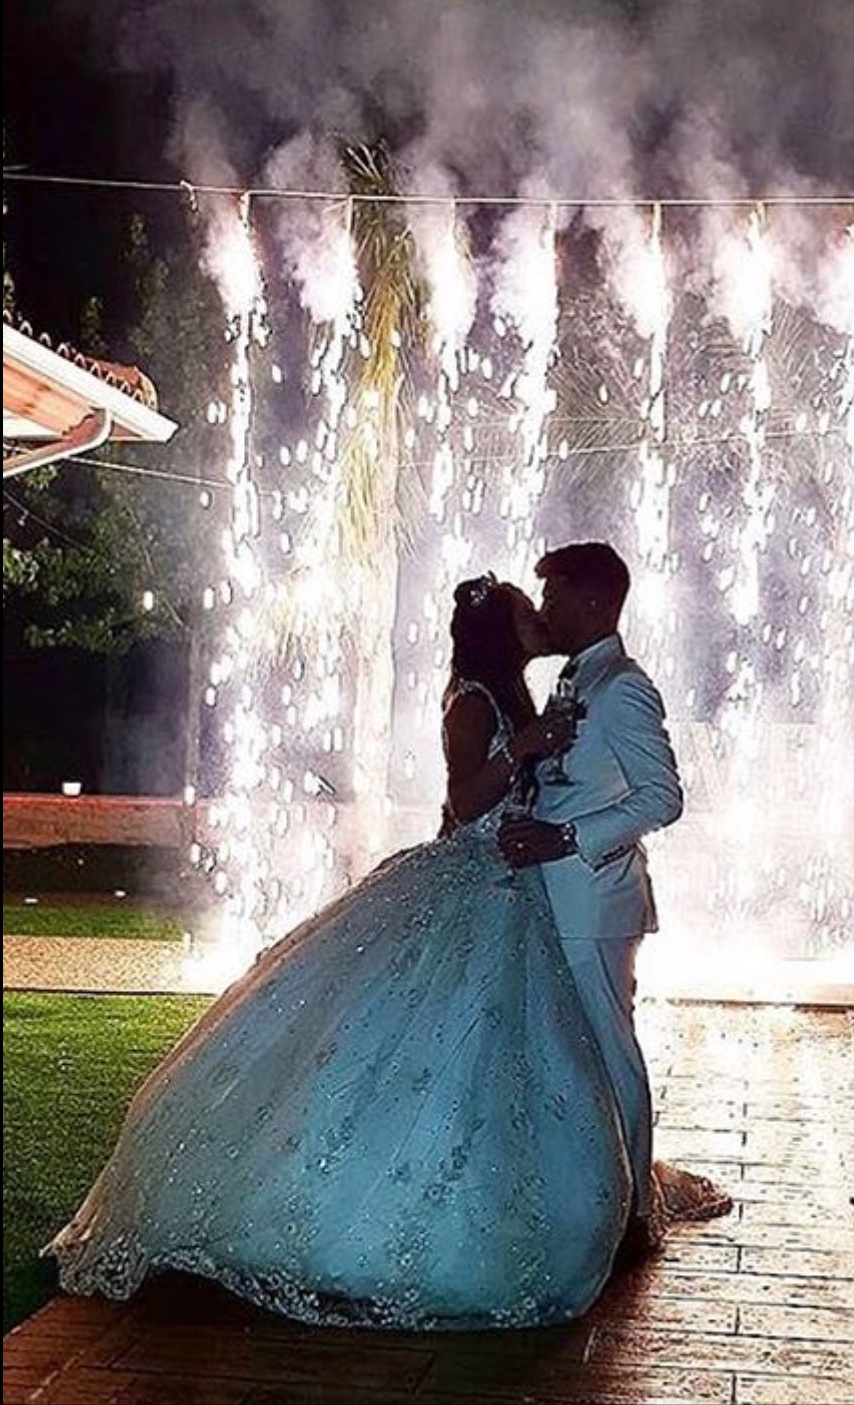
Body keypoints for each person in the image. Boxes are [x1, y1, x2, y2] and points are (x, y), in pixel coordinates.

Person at [46, 577, 633, 1331]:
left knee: (492, 1052)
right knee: (427, 1044)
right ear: (500, 633)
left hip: (509, 887)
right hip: (476, 879)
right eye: (526, 615)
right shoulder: (473, 703)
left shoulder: (515, 696)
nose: (539, 622)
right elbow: (465, 802)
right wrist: (526, 747)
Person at [499, 543, 732, 1259]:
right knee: (577, 1051)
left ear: (596, 603)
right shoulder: (578, 678)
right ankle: (596, 1192)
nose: (545, 611)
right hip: (559, 899)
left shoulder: (623, 686)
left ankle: (633, 1208)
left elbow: (663, 798)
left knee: (610, 1049)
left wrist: (566, 837)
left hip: (594, 903)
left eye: (556, 598)